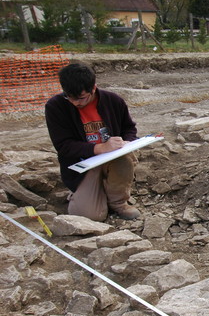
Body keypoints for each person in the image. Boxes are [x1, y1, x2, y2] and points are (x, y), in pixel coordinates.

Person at [45, 62, 140, 221]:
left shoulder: (113, 100)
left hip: (113, 160)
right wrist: (100, 148)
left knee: (124, 160)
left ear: (93, 88)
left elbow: (129, 128)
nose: (76, 103)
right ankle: (86, 194)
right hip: (83, 167)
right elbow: (64, 146)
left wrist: (126, 142)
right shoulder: (56, 106)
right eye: (70, 97)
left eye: (81, 98)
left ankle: (118, 202)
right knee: (90, 216)